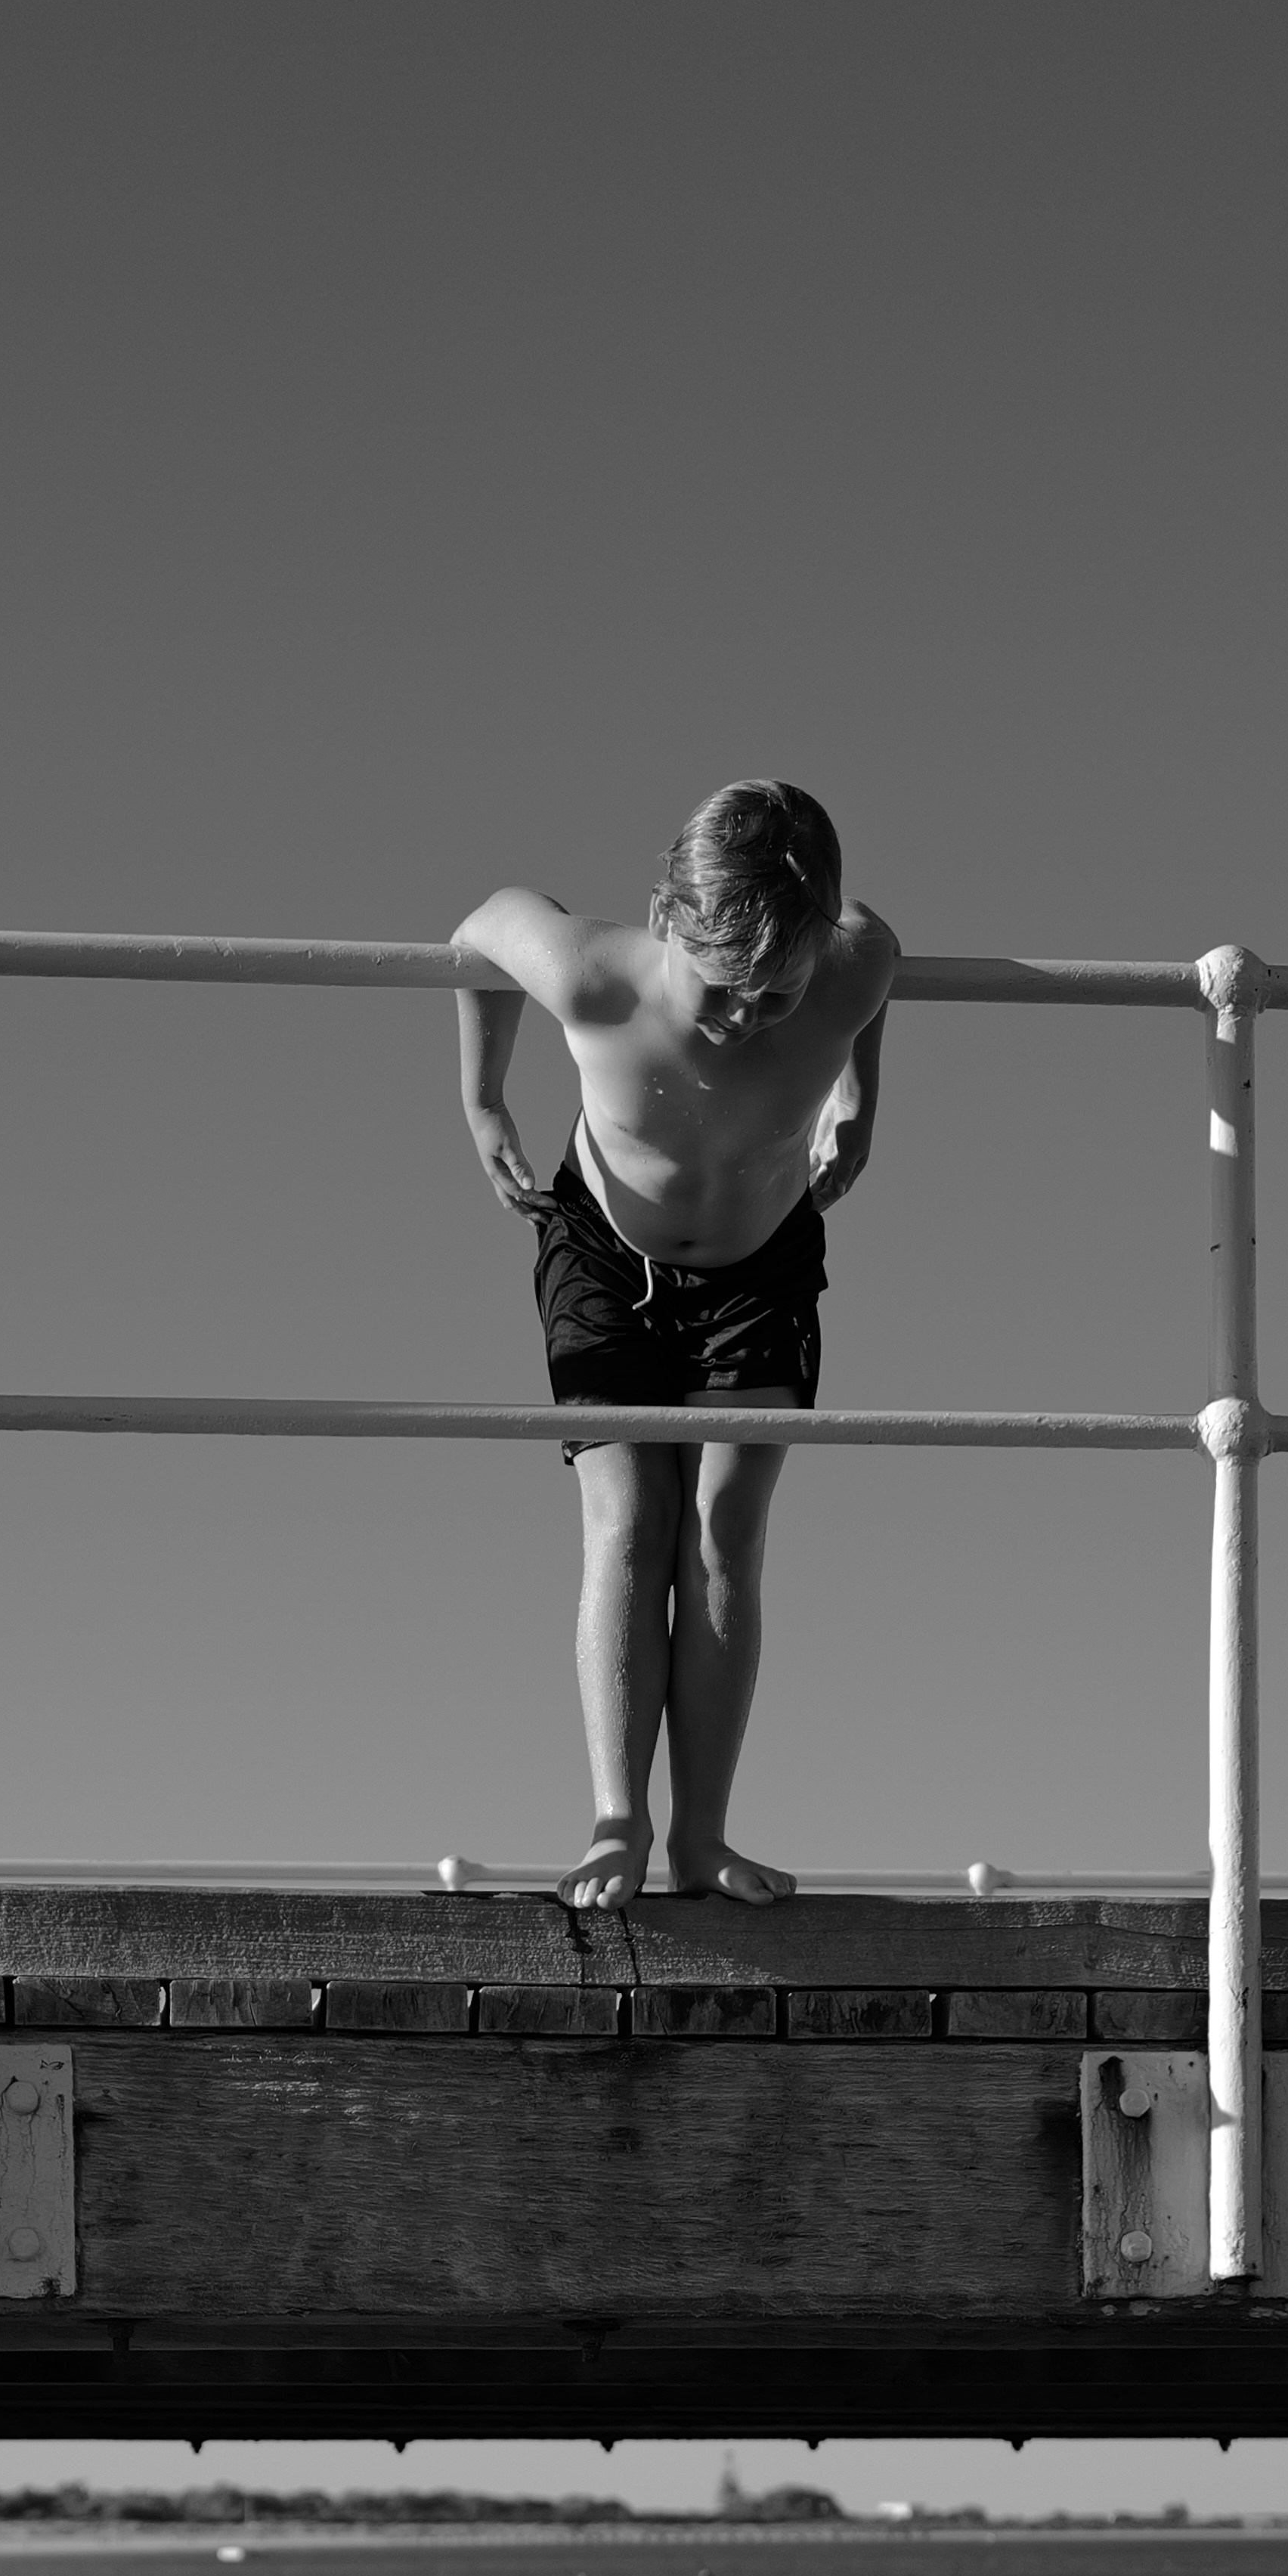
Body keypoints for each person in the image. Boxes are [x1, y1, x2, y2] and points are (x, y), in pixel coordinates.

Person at [450, 784, 899, 1905]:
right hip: (604, 1256)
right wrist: (482, 1096)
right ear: (662, 919)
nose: (747, 1020)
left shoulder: (847, 968)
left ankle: (701, 1834)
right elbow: (484, 926)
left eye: (775, 997)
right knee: (630, 1520)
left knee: (719, 1537)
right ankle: (617, 1822)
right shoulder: (593, 972)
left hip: (760, 1270)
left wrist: (859, 1093)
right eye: (722, 992)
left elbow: (867, 971)